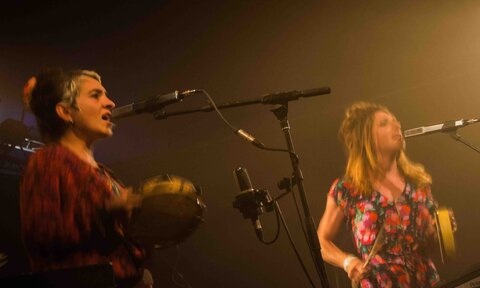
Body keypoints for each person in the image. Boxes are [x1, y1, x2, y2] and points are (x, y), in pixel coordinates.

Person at [19, 68, 151, 288]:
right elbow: (42, 236)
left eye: (105, 95)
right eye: (95, 95)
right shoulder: (48, 161)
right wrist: (107, 212)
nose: (110, 103)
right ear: (66, 112)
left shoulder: (105, 172)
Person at [317, 102, 441, 287]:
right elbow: (322, 241)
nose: (397, 125)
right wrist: (348, 262)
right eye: (384, 123)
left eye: (395, 120)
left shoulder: (418, 182)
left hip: (425, 281)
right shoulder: (348, 189)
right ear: (365, 138)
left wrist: (441, 231)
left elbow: (435, 246)